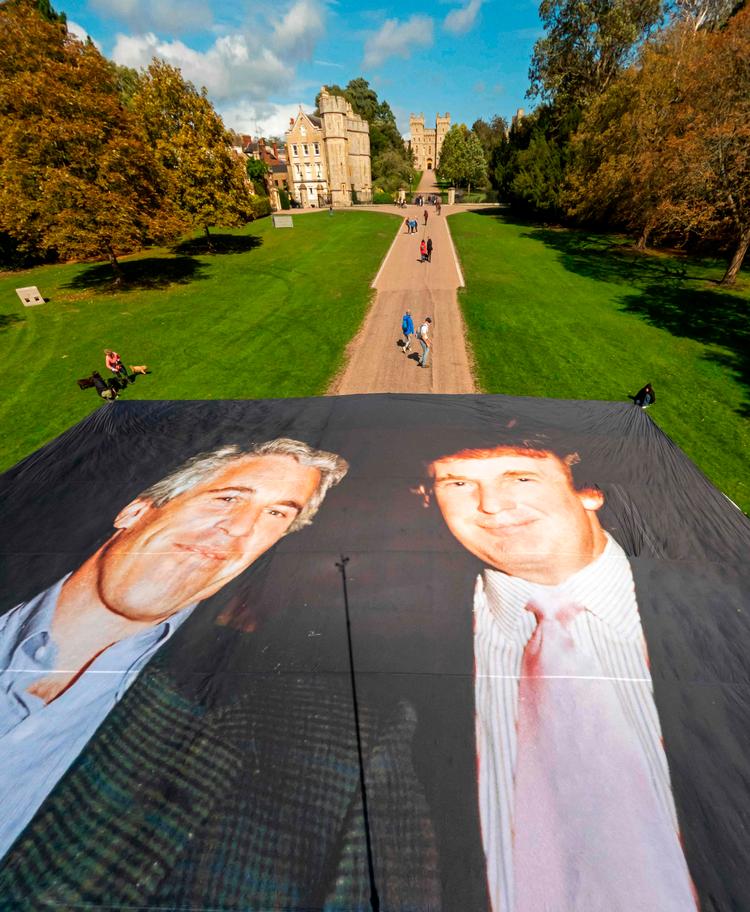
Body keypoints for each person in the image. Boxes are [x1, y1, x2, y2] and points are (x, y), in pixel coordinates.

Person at [0, 440, 439, 910]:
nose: (238, 529)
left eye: (277, 516)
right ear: (136, 510)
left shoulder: (343, 748)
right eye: (228, 498)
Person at [412, 438, 701, 912]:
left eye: (521, 478)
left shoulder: (723, 609)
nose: (491, 506)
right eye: (459, 484)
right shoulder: (403, 640)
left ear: (588, 490)